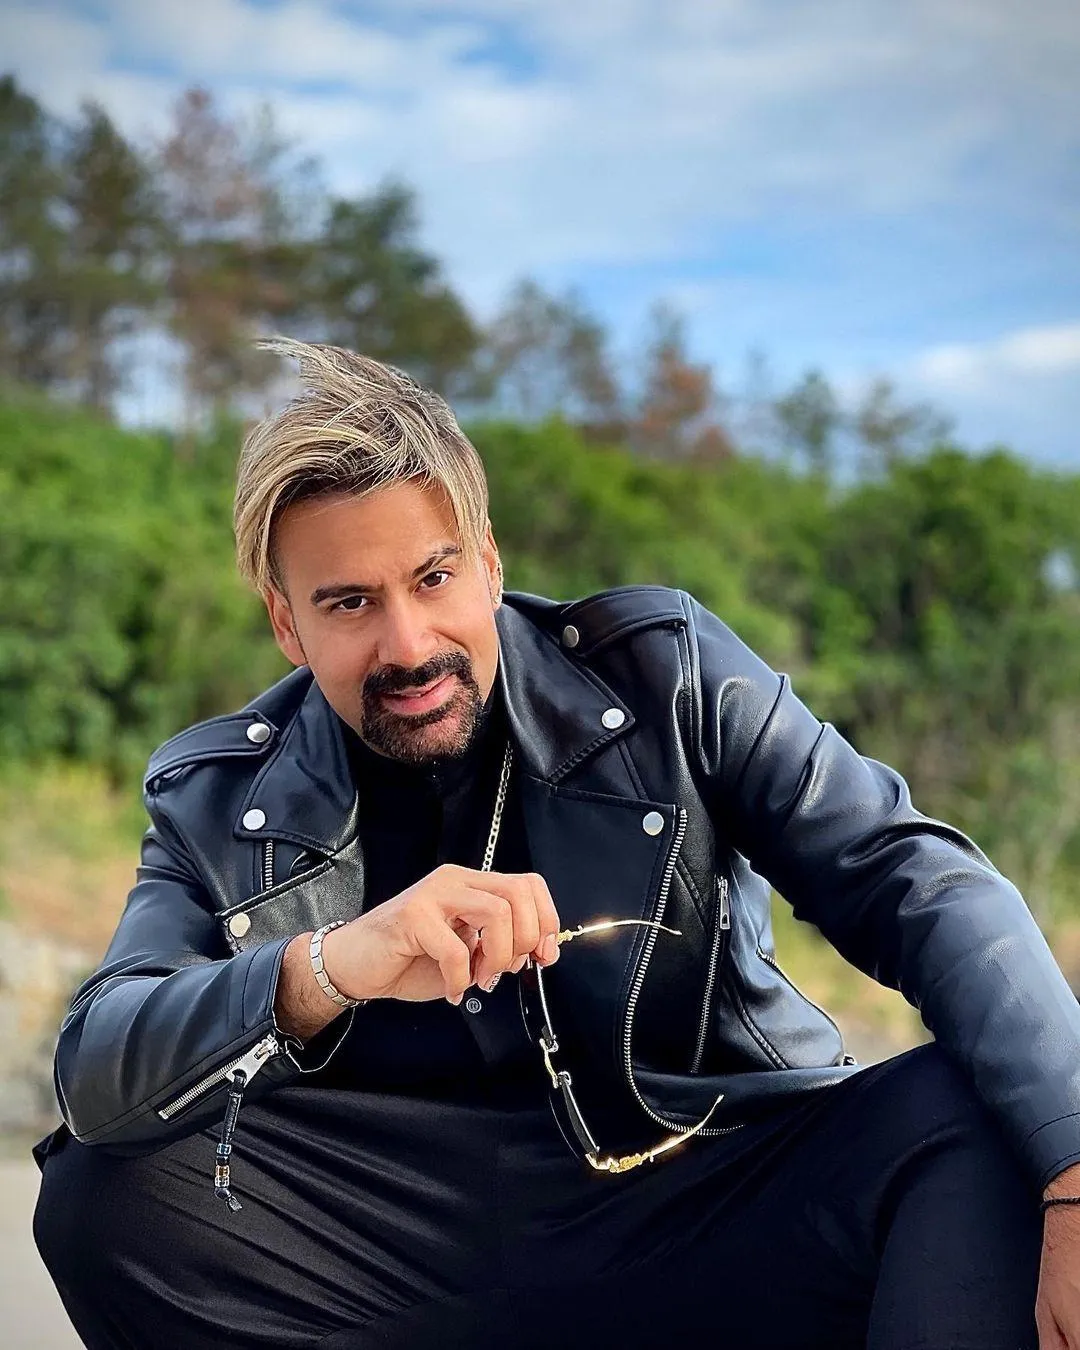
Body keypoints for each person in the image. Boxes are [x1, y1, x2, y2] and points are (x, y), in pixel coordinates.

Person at [32, 338, 1080, 1350]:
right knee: (104, 1195)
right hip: (397, 1250)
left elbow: (913, 880)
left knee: (979, 1113)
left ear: (489, 564)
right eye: (349, 603)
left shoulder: (664, 676)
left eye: (433, 579)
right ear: (286, 624)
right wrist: (328, 967)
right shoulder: (220, 797)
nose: (408, 644)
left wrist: (1075, 1168)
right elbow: (98, 1064)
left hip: (702, 1190)